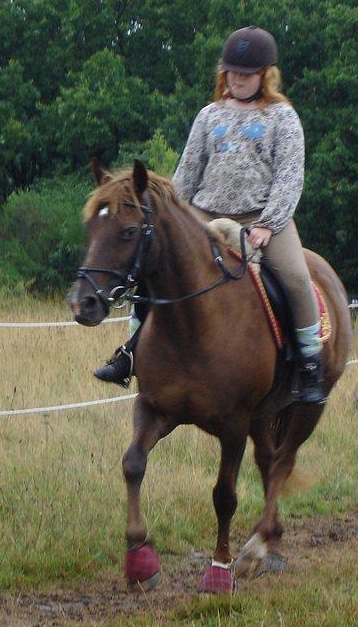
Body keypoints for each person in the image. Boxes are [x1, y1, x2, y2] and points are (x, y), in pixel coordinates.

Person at [94, 25, 326, 403]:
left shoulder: (283, 117)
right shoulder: (209, 115)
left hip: (260, 217)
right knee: (154, 266)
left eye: (247, 73)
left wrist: (269, 224)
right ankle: (130, 353)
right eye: (232, 71)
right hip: (203, 213)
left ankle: (310, 364)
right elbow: (187, 172)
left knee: (297, 279)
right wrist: (172, 216)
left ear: (265, 74)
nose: (238, 79)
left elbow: (289, 175)